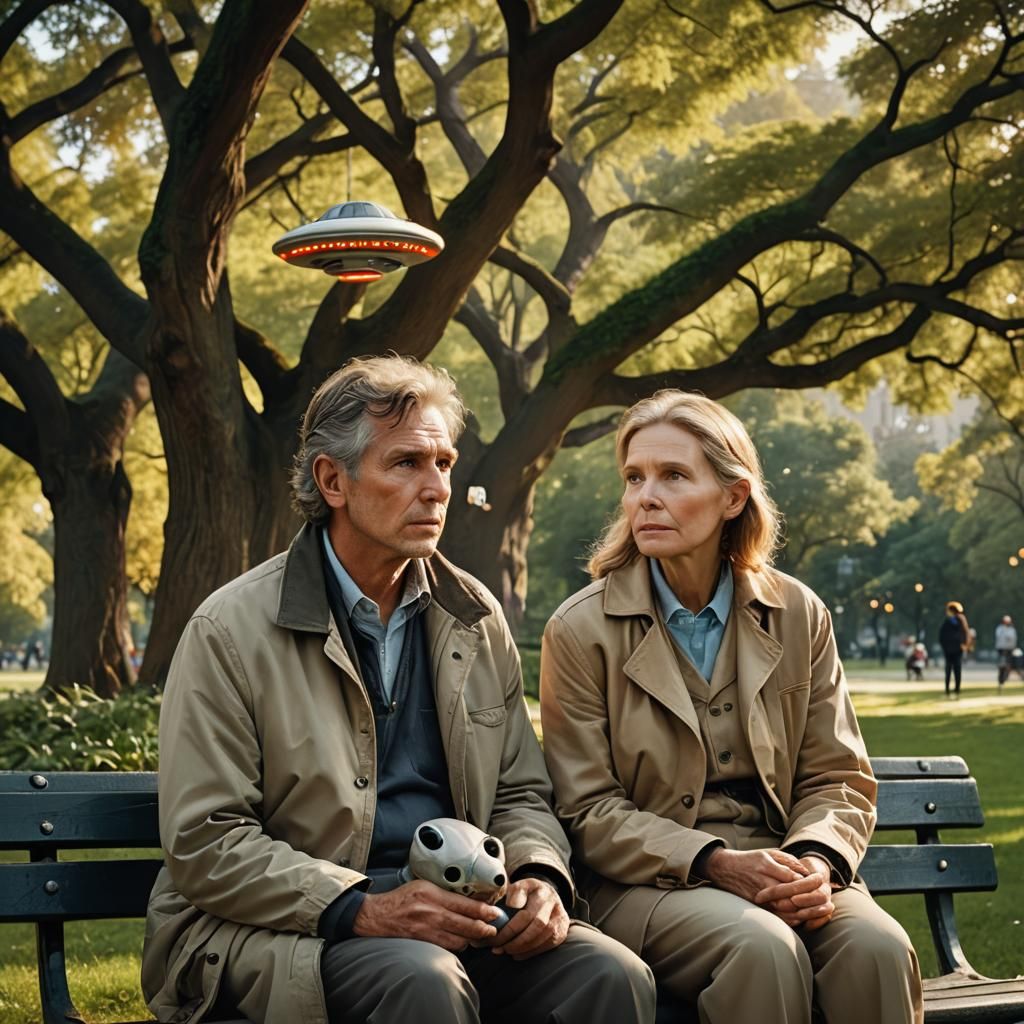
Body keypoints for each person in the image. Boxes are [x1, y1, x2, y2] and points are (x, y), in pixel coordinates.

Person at [142, 356, 655, 1024]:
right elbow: (207, 840)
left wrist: (536, 876)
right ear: (333, 480)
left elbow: (519, 792)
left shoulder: (473, 614)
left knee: (611, 975)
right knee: (423, 980)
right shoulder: (230, 628)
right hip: (284, 928)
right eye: (407, 463)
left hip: (459, 910)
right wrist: (360, 906)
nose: (437, 487)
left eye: (444, 462)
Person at [539, 390, 922, 1024]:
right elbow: (588, 810)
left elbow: (839, 778)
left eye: (673, 476)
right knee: (760, 948)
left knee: (878, 948)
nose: (645, 497)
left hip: (787, 861)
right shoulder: (581, 629)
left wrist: (818, 862)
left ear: (733, 497)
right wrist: (714, 860)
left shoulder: (799, 613)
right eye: (634, 478)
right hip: (646, 884)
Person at [939, 602, 969, 698]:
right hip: (956, 649)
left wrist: (945, 646)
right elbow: (965, 633)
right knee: (956, 669)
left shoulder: (950, 621)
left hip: (951, 649)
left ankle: (949, 690)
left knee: (950, 669)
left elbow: (942, 635)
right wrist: (964, 645)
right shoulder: (961, 620)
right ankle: (956, 689)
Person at [995, 615, 1018, 686]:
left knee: (1008, 665)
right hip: (1002, 649)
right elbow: (1000, 637)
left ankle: (1005, 678)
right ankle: (1001, 679)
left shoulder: (1012, 629)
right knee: (1002, 665)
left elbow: (1013, 639)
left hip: (1009, 650)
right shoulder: (1000, 629)